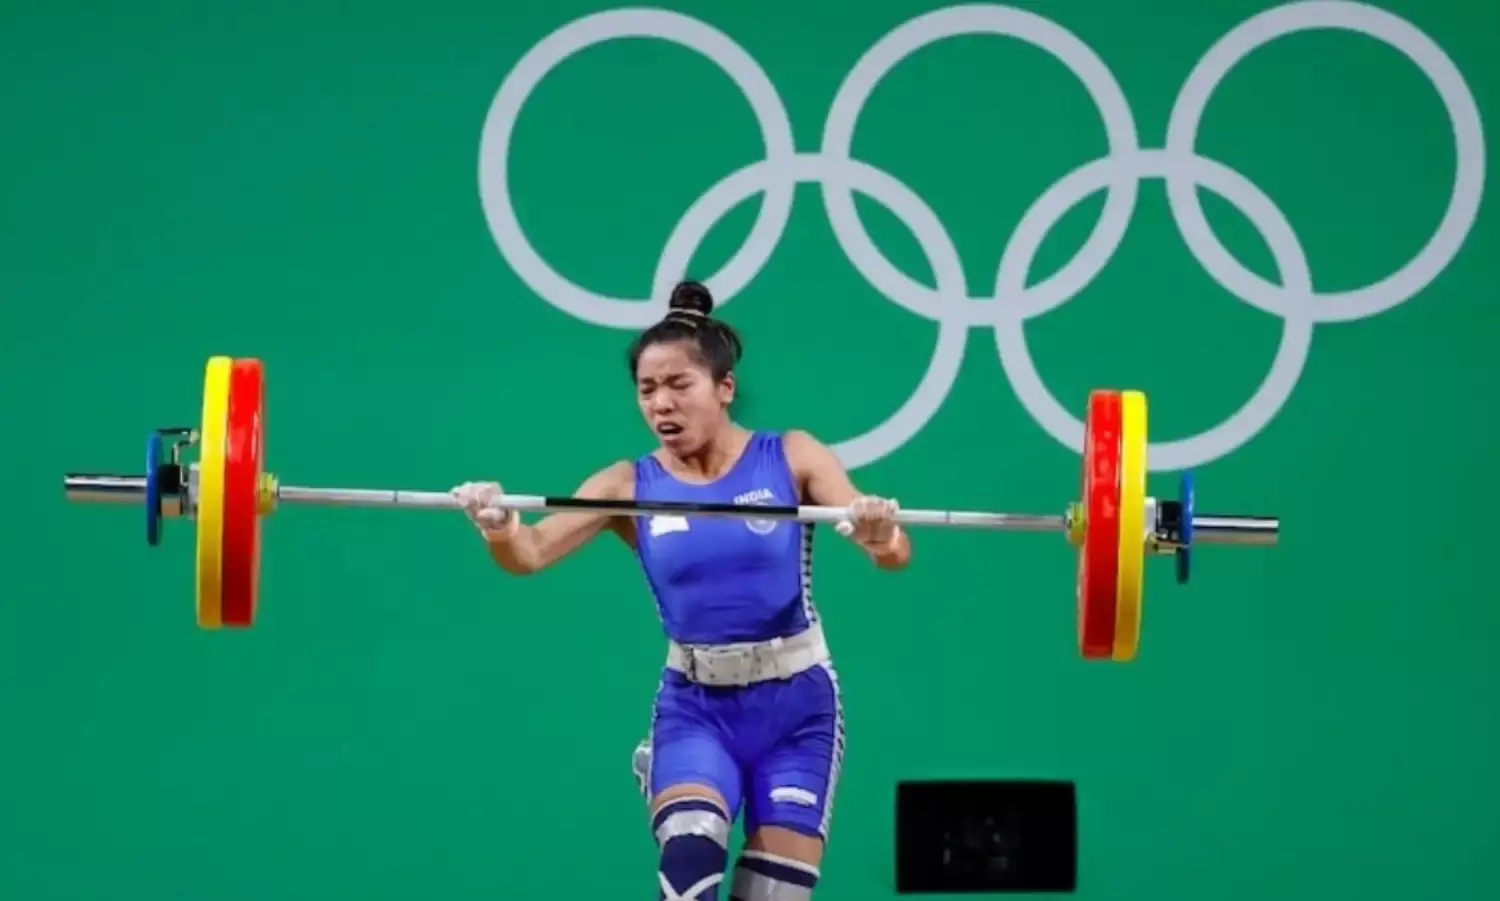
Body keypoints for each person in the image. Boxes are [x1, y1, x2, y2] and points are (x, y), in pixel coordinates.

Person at [450, 280, 910, 900]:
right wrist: (499, 525)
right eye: (647, 389)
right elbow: (528, 553)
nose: (661, 403)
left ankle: (676, 779)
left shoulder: (791, 456)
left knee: (774, 894)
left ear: (724, 388)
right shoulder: (626, 485)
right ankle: (672, 771)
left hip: (799, 709)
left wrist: (880, 533)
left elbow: (893, 552)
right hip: (697, 705)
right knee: (692, 857)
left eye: (678, 385)